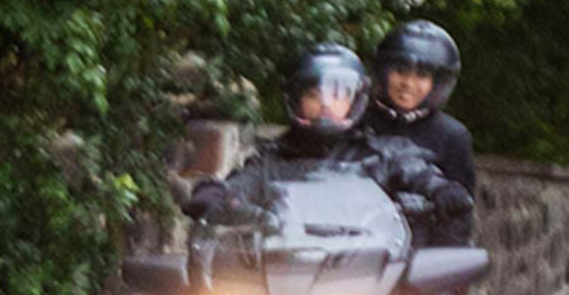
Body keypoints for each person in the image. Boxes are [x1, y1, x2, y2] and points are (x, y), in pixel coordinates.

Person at [187, 42, 475, 252]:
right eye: (314, 94)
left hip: (370, 277)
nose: (325, 103)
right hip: (284, 272)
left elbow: (416, 172)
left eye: (337, 94)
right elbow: (242, 182)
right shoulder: (272, 158)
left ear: (355, 100)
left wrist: (440, 189)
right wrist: (216, 193)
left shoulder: (382, 154)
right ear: (296, 100)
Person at [369, 18, 475, 200]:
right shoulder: (356, 120)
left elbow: (460, 212)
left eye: (422, 75)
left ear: (437, 84)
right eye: (401, 71)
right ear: (384, 72)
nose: (408, 84)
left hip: (418, 228)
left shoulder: (452, 136)